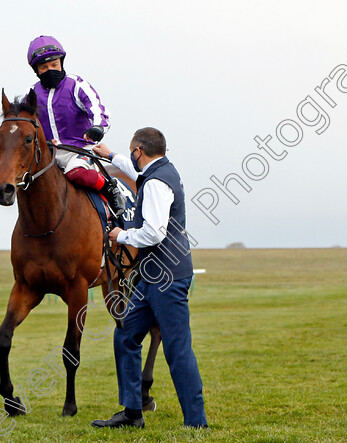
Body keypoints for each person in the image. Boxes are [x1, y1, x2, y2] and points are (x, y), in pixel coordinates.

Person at [90, 128, 208, 429]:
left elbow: (154, 232)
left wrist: (121, 234)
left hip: (166, 279)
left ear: (139, 151)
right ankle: (132, 412)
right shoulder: (161, 170)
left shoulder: (155, 183)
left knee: (177, 348)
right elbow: (134, 170)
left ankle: (196, 422)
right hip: (151, 278)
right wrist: (110, 154)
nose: (131, 158)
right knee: (126, 334)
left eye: (132, 153)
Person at [26, 35, 128, 216]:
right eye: (44, 67)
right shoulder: (33, 93)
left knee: (77, 173)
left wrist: (97, 128)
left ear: (61, 63)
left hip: (79, 151)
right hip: (49, 154)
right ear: (36, 70)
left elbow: (98, 110)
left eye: (54, 65)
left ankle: (110, 189)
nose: (50, 69)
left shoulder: (76, 85)